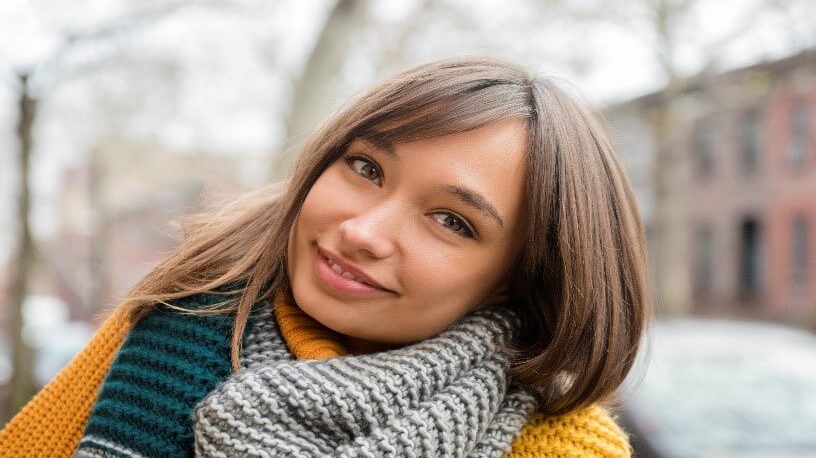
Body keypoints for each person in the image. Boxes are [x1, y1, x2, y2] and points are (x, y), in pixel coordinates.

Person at [1, 56, 650, 457]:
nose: (365, 231)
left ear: (519, 279)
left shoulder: (561, 450)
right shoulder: (178, 316)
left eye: (451, 221)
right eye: (365, 167)